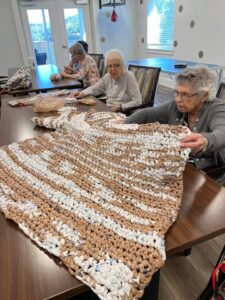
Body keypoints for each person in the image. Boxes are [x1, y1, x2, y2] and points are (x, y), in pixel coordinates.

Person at [122, 66, 225, 184]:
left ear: (204, 96)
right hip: (180, 167)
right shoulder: (175, 106)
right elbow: (146, 113)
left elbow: (222, 132)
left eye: (185, 94)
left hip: (210, 175)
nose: (178, 99)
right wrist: (124, 123)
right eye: (176, 92)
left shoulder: (218, 108)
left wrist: (205, 140)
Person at [70, 49, 142, 112]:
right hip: (108, 109)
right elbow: (96, 88)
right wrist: (82, 93)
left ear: (122, 65)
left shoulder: (129, 76)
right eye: (109, 66)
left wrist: (121, 107)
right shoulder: (107, 76)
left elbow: (138, 101)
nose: (113, 69)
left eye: (116, 65)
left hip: (124, 112)